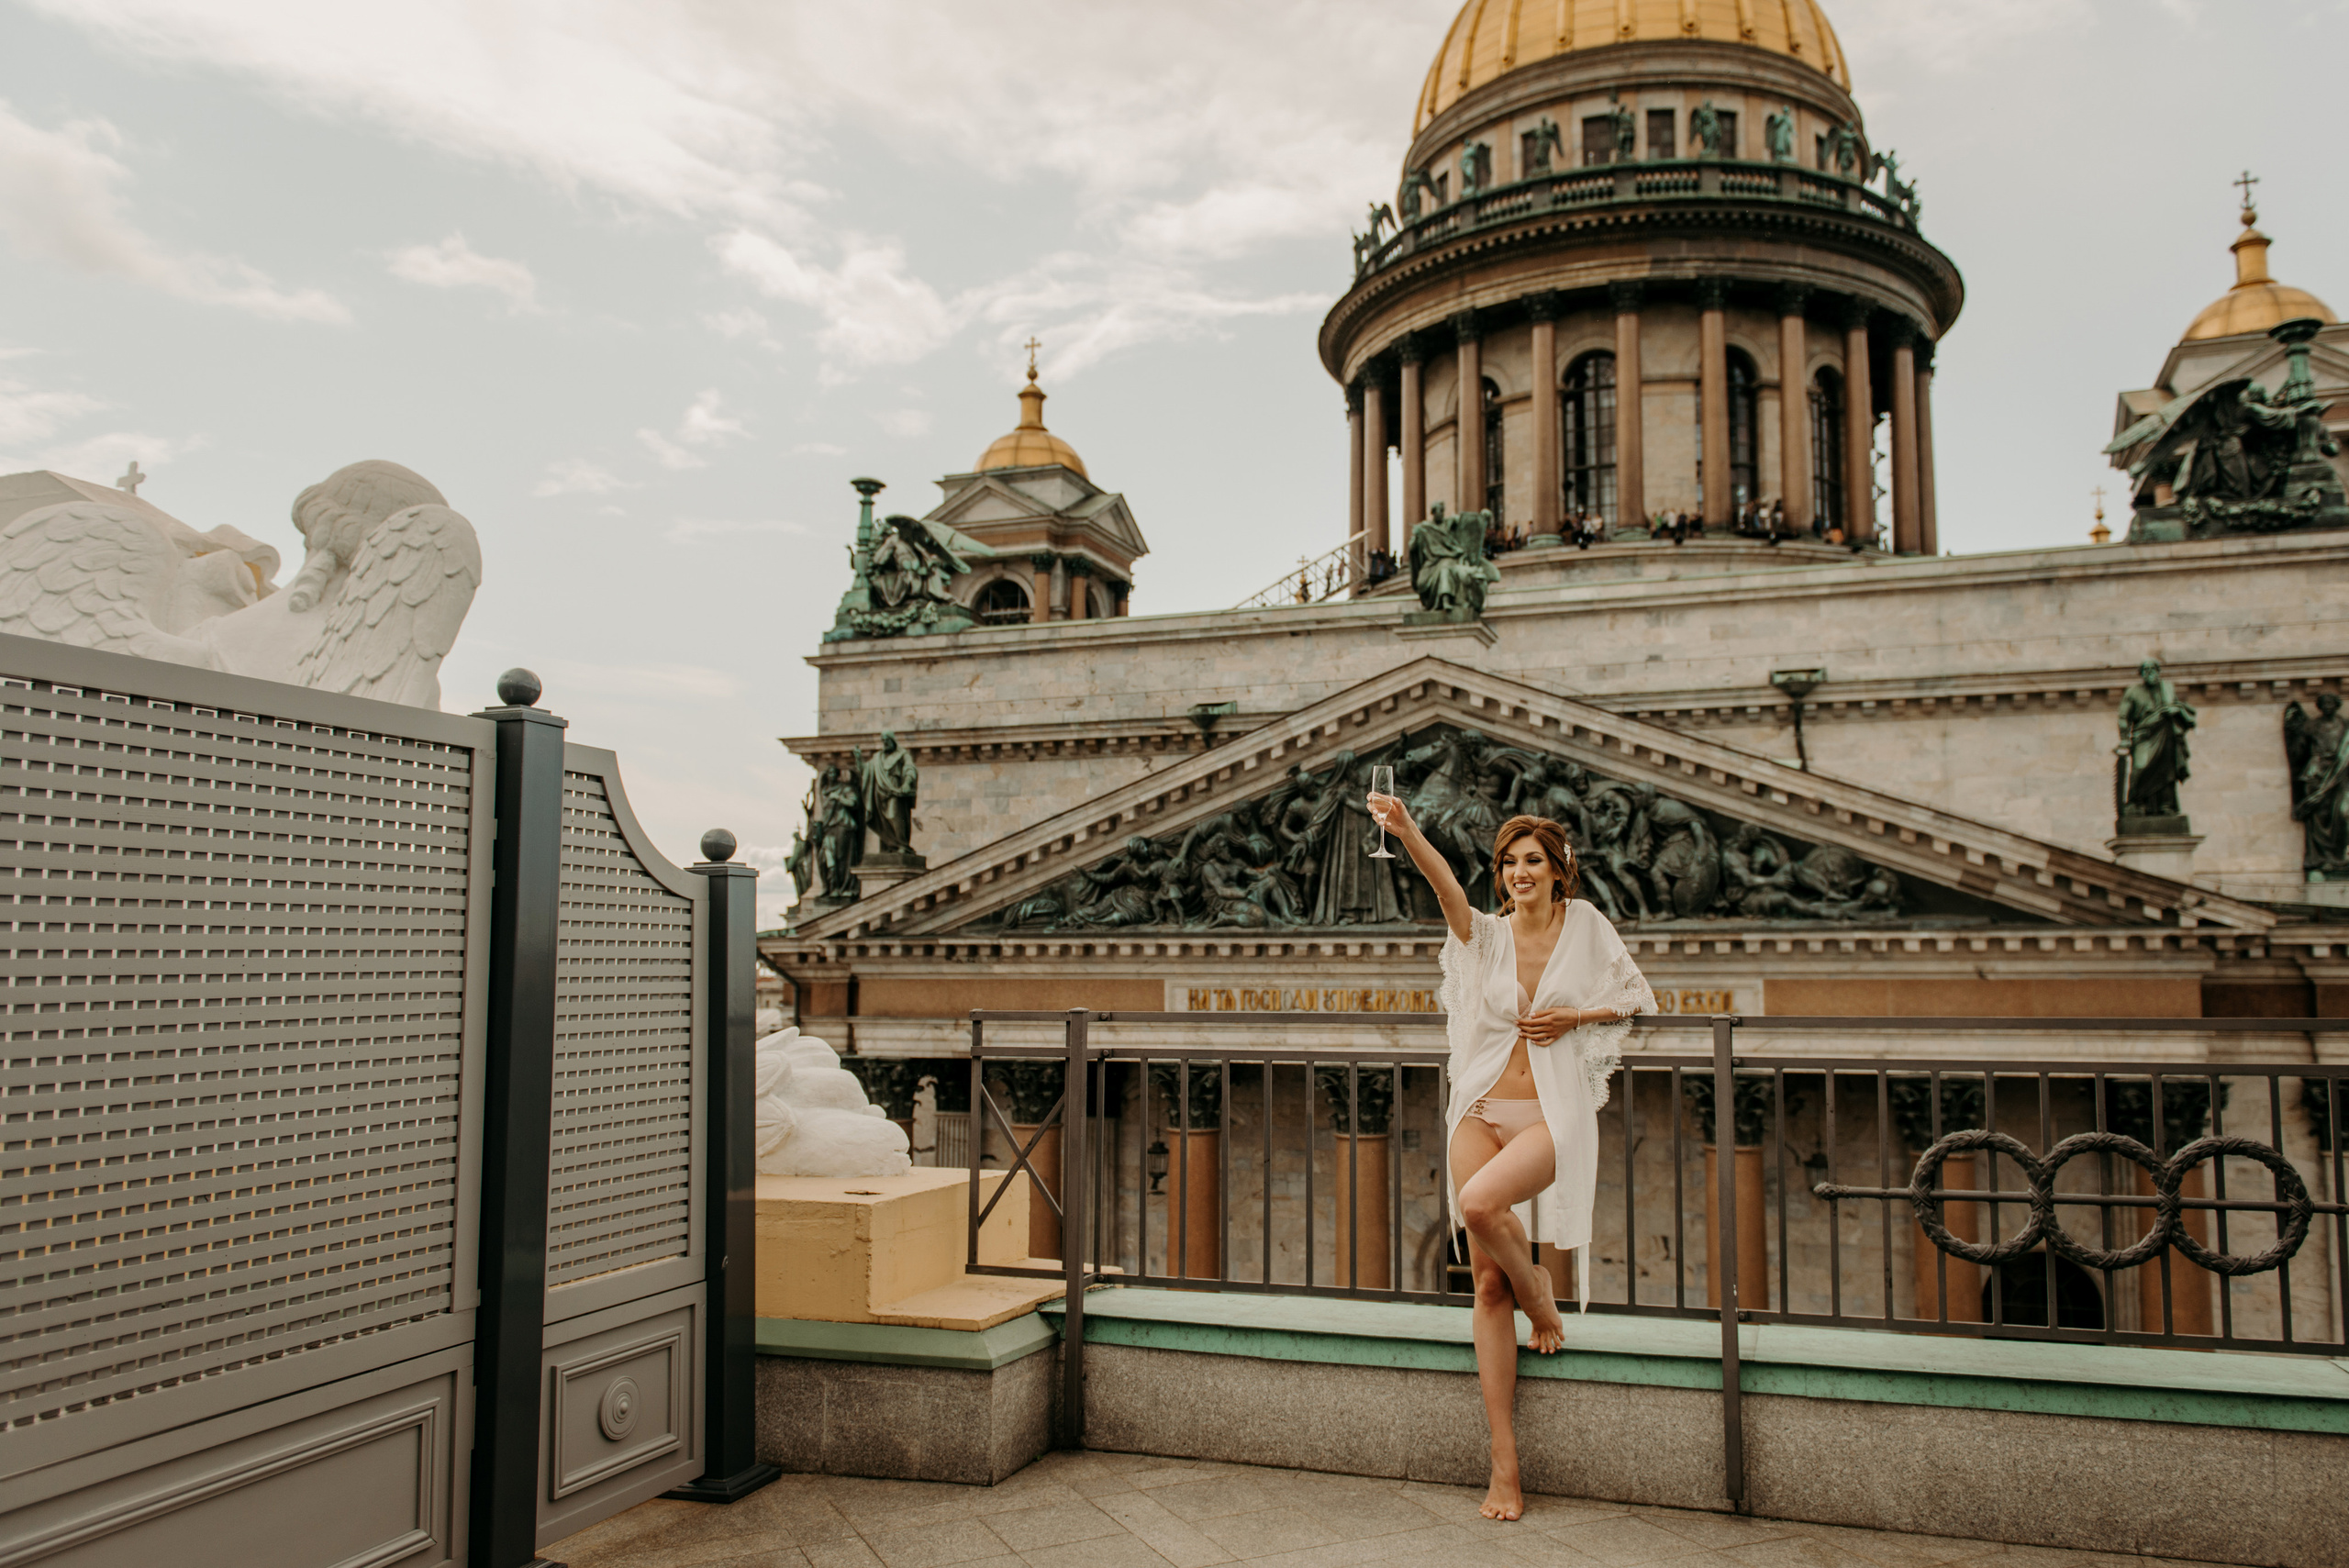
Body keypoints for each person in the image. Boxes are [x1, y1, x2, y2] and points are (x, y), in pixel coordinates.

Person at [1361, 797, 1655, 1522]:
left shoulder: (1585, 926)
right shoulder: (1485, 936)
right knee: (1486, 1284)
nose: (1519, 872)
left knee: (1478, 1205)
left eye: (1533, 861)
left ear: (1560, 871)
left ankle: (1542, 1293)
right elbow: (1445, 891)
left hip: (1552, 1114)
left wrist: (1572, 1017)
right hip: (1480, 1107)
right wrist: (1406, 831)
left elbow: (1636, 998)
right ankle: (1505, 1461)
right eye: (1509, 862)